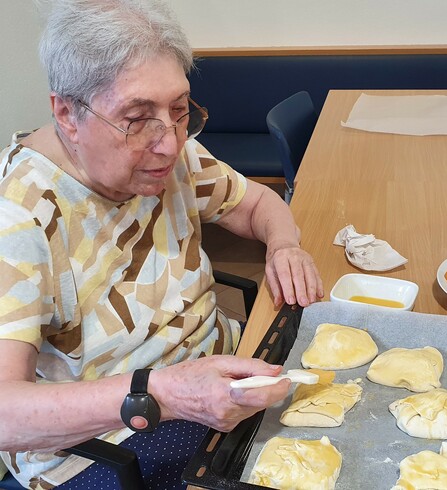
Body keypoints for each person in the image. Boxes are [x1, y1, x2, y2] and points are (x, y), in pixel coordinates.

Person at [0, 0, 323, 488]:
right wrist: (161, 395)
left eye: (178, 110)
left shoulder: (172, 153)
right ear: (66, 113)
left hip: (211, 374)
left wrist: (283, 246)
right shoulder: (19, 216)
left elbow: (259, 204)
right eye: (136, 118)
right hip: (105, 444)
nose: (170, 143)